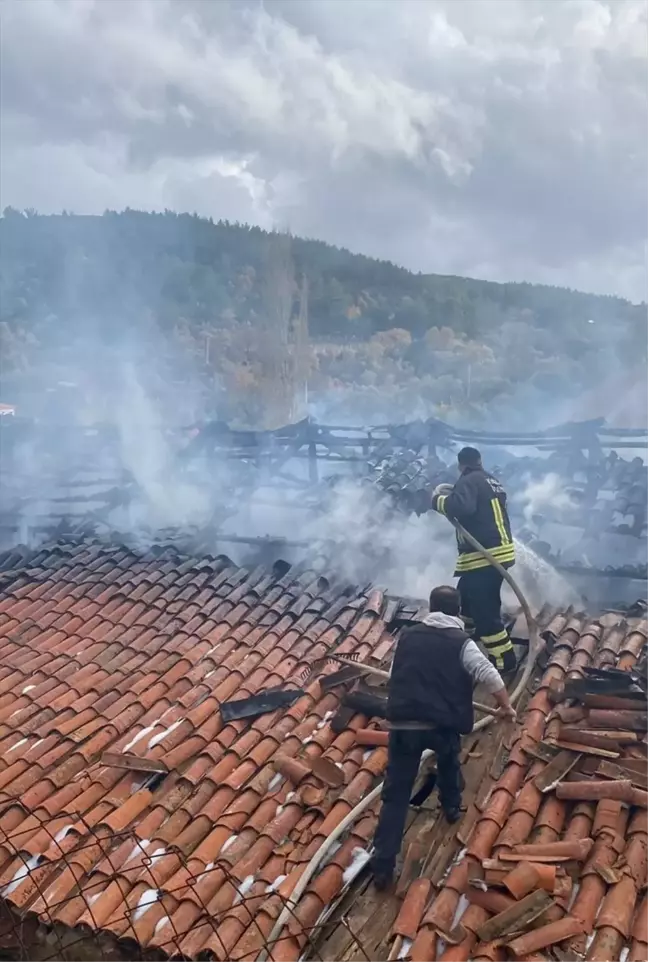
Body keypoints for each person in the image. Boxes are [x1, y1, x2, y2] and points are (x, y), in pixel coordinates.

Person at [371, 585, 516, 891]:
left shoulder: (408, 636)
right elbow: (488, 673)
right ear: (458, 610)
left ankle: (383, 866)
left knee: (395, 796)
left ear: (431, 606)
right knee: (449, 761)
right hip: (441, 725)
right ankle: (451, 808)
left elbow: (400, 673)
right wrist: (505, 705)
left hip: (403, 725)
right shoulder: (461, 642)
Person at [431, 446, 517, 674]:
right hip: (495, 554)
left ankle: (504, 660)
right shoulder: (491, 481)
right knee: (465, 600)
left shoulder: (468, 480)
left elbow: (461, 507)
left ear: (461, 465)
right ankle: (462, 643)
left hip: (485, 557)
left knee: (484, 610)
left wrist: (437, 501)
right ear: (479, 461)